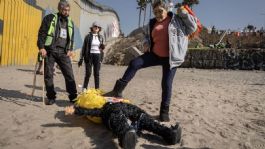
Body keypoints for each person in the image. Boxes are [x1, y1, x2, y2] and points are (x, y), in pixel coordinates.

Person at [104, 0, 198, 122]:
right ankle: (118, 90)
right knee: (135, 63)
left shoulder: (176, 20)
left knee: (166, 84)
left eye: (160, 11)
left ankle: (164, 113)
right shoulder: (152, 23)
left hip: (171, 58)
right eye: (155, 12)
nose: (158, 14)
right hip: (155, 55)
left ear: (166, 10)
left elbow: (192, 28)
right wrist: (146, 43)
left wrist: (185, 14)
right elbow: (147, 36)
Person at [65, 88, 181, 149]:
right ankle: (126, 136)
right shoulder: (104, 108)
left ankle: (170, 134)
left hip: (134, 115)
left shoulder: (117, 101)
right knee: (118, 120)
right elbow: (91, 111)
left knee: (148, 121)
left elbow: (133, 107)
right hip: (118, 117)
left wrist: (142, 113)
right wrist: (75, 110)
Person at [37, 0, 77, 105]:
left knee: (69, 75)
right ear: (59, 9)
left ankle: (73, 97)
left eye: (68, 10)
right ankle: (51, 97)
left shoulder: (70, 22)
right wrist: (41, 47)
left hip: (63, 52)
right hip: (50, 51)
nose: (67, 12)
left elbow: (71, 38)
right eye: (65, 10)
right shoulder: (49, 18)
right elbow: (41, 33)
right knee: (48, 75)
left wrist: (70, 49)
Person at [78, 22, 105, 90]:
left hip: (97, 56)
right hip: (89, 56)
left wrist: (102, 48)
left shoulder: (101, 37)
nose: (97, 28)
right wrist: (81, 59)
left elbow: (102, 49)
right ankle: (84, 88)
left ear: (99, 29)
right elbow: (84, 47)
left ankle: (97, 89)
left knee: (97, 73)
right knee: (88, 73)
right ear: (92, 27)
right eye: (95, 26)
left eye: (98, 27)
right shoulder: (88, 36)